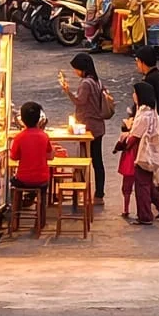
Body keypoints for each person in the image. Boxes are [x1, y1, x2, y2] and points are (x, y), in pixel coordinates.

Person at [57, 52, 108, 205]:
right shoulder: (98, 81)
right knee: (98, 161)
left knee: (84, 160)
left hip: (88, 127)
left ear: (82, 69)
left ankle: (83, 191)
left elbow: (80, 101)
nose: (75, 72)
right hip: (98, 126)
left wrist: (67, 91)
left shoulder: (86, 83)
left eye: (76, 69)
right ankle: (99, 193)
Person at [121, 81, 159, 225]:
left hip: (142, 153)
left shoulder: (143, 115)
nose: (133, 95)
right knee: (147, 182)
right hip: (152, 151)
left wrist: (124, 142)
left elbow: (135, 136)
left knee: (141, 185)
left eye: (135, 93)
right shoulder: (152, 112)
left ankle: (145, 216)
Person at [10, 101, 52, 190]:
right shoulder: (44, 136)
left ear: (22, 119)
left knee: (11, 181)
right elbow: (50, 156)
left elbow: (13, 157)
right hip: (42, 178)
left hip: (23, 178)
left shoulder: (19, 137)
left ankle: (17, 202)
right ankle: (40, 201)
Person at [134, 45, 159, 140]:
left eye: (137, 61)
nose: (137, 65)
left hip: (154, 126)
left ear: (143, 62)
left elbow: (145, 106)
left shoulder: (148, 80)